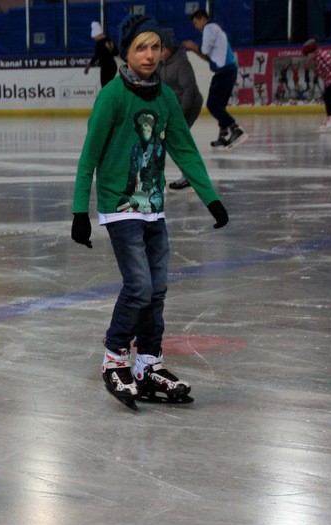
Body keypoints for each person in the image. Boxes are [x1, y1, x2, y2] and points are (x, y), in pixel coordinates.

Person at [71, 13, 229, 412]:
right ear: (127, 51)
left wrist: (210, 197)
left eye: (156, 47)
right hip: (119, 205)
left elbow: (185, 149)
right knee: (139, 285)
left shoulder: (165, 98)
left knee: (157, 289)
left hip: (153, 206)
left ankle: (147, 363)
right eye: (141, 47)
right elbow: (89, 155)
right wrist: (79, 211)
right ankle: (114, 358)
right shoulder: (113, 95)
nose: (150, 54)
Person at [182, 10, 246, 150]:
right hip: (228, 70)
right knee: (219, 105)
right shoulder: (216, 29)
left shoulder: (209, 28)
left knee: (212, 105)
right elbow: (208, 57)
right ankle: (223, 135)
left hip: (224, 71)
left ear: (202, 19)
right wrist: (194, 49)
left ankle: (235, 128)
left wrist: (193, 47)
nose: (196, 26)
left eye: (196, 23)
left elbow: (204, 51)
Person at [157, 29, 203, 190]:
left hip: (188, 106)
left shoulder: (181, 63)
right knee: (173, 141)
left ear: (170, 48)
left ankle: (190, 175)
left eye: (163, 49)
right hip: (175, 108)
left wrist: (180, 116)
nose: (160, 53)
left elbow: (189, 91)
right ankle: (188, 175)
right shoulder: (161, 64)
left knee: (177, 140)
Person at [302, 39, 331, 133]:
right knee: (328, 98)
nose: (307, 57)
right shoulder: (319, 56)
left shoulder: (320, 57)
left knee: (328, 98)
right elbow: (322, 71)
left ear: (311, 52)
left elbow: (329, 69)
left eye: (307, 54)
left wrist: (330, 82)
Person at [84, 21, 119, 88]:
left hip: (106, 68)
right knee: (110, 85)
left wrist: (89, 65)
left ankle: (108, 98)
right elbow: (116, 53)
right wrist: (110, 49)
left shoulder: (99, 43)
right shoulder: (109, 40)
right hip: (113, 66)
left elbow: (97, 55)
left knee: (104, 86)